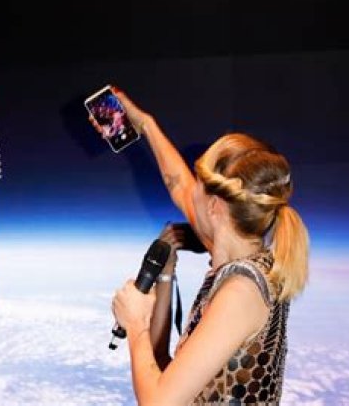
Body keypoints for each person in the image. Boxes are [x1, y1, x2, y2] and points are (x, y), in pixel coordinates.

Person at [99, 86, 309, 405]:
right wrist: (144, 124)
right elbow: (177, 183)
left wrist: (136, 322)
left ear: (214, 207)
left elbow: (158, 403)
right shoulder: (245, 260)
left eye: (198, 181)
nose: (189, 189)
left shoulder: (240, 292)